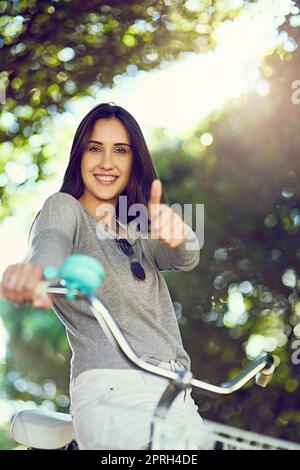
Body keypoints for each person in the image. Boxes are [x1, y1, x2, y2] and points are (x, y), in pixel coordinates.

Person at [1, 102, 208, 449]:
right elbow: (50, 242)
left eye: (121, 151)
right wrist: (37, 272)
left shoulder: (137, 228)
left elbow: (185, 257)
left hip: (175, 390)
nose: (107, 162)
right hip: (115, 387)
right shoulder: (65, 208)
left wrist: (178, 233)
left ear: (134, 161)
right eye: (95, 148)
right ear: (79, 156)